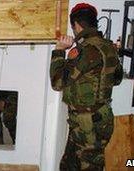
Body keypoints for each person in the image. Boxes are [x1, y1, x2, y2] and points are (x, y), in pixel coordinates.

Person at [49, 3, 123, 170]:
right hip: (98, 119)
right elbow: (117, 79)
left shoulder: (85, 51)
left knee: (89, 166)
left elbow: (57, 82)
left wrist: (59, 51)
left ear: (76, 25)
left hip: (87, 125)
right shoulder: (109, 47)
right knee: (69, 165)